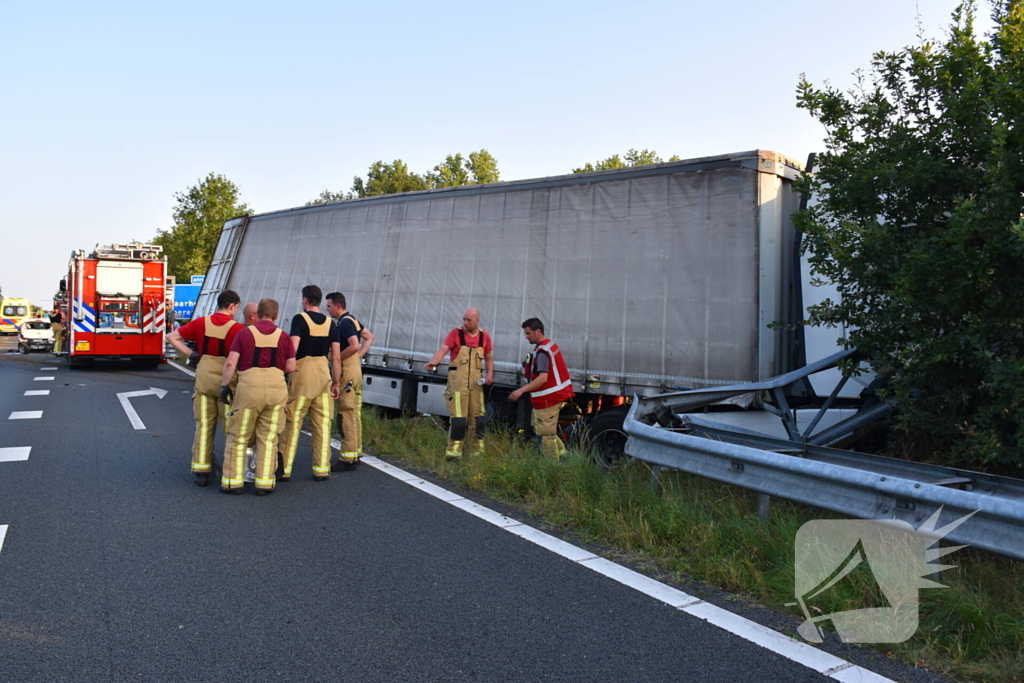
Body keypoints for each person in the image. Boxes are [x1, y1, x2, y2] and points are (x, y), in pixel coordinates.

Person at [167, 291, 244, 486]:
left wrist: (191, 354)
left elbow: (172, 337)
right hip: (227, 384)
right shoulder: (237, 329)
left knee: (204, 426)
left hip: (203, 380)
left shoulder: (201, 323)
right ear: (233, 306)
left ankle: (202, 471)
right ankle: (230, 469)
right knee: (230, 429)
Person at [220, 299, 296, 495]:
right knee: (269, 438)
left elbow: (230, 364)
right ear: (276, 315)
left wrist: (225, 386)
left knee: (239, 436)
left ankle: (233, 483)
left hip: (249, 389)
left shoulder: (244, 333)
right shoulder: (284, 337)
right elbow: (291, 367)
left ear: (258, 314)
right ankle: (264, 483)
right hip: (276, 389)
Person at [279, 285, 340, 481]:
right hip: (324, 375)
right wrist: (336, 382)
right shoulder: (331, 324)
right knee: (322, 424)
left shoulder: (299, 319)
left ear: (305, 300)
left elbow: (293, 347)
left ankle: (284, 469)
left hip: (303, 376)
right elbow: (336, 357)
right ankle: (322, 469)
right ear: (320, 301)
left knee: (293, 422)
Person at [425, 308, 494, 460]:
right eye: (464, 319)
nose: (465, 322)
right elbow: (443, 349)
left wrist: (489, 375)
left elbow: (488, 358)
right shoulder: (456, 333)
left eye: (468, 320)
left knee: (479, 420)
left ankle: (477, 454)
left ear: (477, 320)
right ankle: (453, 454)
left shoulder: (484, 337)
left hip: (476, 386)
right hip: (458, 385)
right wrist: (434, 361)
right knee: (458, 420)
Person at [509, 318, 574, 459]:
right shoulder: (548, 346)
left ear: (538, 331)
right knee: (548, 433)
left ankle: (553, 468)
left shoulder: (542, 352)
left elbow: (543, 378)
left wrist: (521, 390)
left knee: (546, 437)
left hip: (548, 400)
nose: (526, 337)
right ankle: (564, 459)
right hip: (550, 398)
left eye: (528, 333)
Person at [325, 292, 373, 470]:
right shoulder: (353, 320)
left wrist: (337, 358)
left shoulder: (344, 323)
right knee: (354, 413)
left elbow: (354, 344)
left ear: (338, 306)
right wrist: (358, 357)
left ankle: (347, 458)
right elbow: (368, 337)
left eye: (329, 306)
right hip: (356, 371)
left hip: (347, 373)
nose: (327, 309)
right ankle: (356, 451)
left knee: (345, 413)